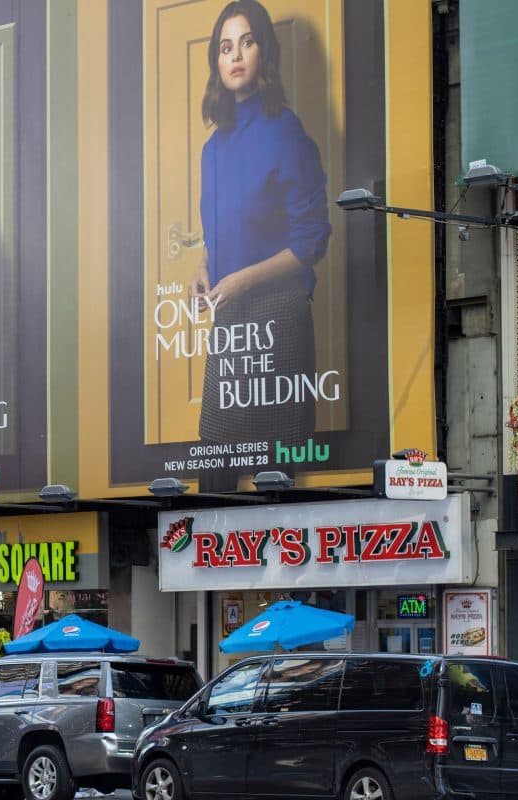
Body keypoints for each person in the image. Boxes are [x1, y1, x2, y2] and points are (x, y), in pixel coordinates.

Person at [190, 0, 331, 492]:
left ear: (263, 51)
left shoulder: (284, 129)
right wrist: (205, 267)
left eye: (246, 42)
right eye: (225, 47)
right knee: (214, 473)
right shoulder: (211, 150)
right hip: (231, 317)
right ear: (216, 60)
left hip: (279, 317)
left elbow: (311, 241)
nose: (235, 55)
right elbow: (220, 228)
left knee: (275, 480)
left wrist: (242, 278)